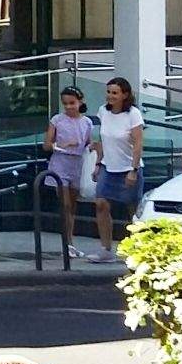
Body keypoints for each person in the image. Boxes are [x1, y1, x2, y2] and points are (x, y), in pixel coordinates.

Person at [86, 77, 147, 264]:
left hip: (128, 167)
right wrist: (98, 163)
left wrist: (133, 170)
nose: (111, 96)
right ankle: (106, 249)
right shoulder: (103, 112)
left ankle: (141, 249)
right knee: (101, 204)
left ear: (125, 95)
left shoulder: (133, 114)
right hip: (108, 166)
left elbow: (138, 143)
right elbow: (103, 140)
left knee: (132, 208)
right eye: (109, 92)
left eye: (115, 93)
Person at [43, 87, 94, 258]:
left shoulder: (87, 122)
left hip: (77, 164)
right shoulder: (57, 120)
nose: (69, 107)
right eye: (65, 104)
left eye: (72, 103)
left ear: (80, 102)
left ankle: (70, 242)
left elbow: (88, 143)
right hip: (61, 163)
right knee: (65, 205)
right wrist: (61, 146)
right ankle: (67, 242)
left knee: (72, 205)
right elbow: (46, 144)